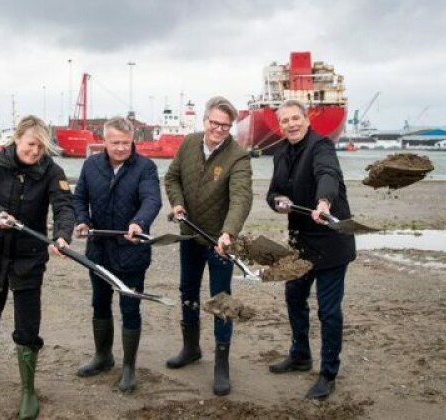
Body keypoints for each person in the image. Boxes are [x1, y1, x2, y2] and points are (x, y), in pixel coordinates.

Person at [0, 115, 75, 420]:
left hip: (29, 258)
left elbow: (65, 207)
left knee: (27, 325)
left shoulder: (52, 171)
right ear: (16, 139)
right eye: (30, 144)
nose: (35, 151)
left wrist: (62, 236)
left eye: (41, 146)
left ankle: (28, 388)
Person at [265, 99, 357, 400]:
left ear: (307, 119)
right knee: (294, 297)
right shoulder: (280, 154)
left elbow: (327, 174)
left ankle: (328, 374)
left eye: (296, 118)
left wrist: (324, 202)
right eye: (285, 120)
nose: (291, 124)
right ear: (280, 125)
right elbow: (273, 192)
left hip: (331, 242)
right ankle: (300, 355)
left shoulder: (322, 147)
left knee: (329, 311)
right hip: (301, 242)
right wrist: (278, 201)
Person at [163, 96, 253, 396]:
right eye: (214, 123)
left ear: (231, 128)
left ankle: (222, 365)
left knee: (221, 300)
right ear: (204, 121)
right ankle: (191, 348)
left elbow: (241, 198)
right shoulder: (189, 143)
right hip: (189, 236)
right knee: (187, 291)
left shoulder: (238, 157)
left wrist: (228, 233)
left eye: (225, 126)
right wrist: (177, 205)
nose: (218, 129)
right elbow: (172, 177)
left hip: (219, 243)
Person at [72, 116, 162, 393]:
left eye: (126, 142)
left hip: (131, 251)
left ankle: (129, 368)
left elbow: (152, 200)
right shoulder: (91, 165)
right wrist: (82, 220)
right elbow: (78, 198)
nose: (121, 148)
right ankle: (103, 356)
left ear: (133, 140)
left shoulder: (145, 167)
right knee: (99, 303)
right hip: (98, 249)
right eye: (115, 143)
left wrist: (139, 223)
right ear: (105, 141)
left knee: (129, 308)